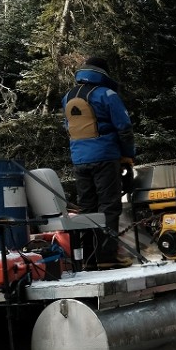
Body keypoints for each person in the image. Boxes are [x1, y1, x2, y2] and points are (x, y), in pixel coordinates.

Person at [63, 56, 135, 266]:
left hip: (79, 160)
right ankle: (106, 257)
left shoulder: (67, 97)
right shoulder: (107, 94)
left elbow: (67, 127)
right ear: (103, 72)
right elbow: (124, 128)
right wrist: (128, 156)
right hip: (105, 157)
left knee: (87, 208)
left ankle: (89, 257)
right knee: (109, 207)